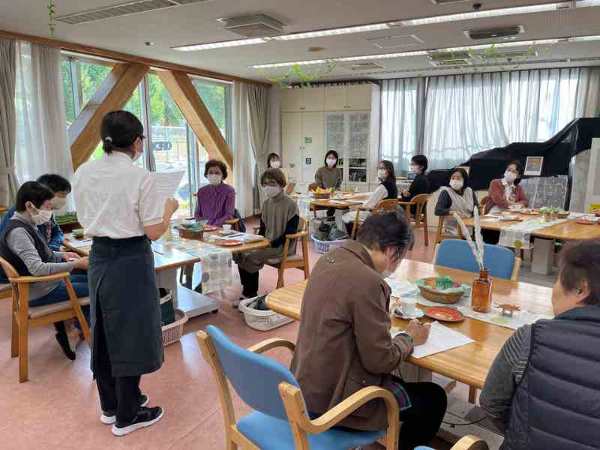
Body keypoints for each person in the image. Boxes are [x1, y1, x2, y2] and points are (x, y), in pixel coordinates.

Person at [291, 212, 447, 450]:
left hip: (306, 387)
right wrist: (409, 338)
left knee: (404, 383)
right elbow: (380, 361)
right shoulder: (369, 282)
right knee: (434, 398)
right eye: (401, 257)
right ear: (392, 251)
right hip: (337, 404)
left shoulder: (329, 259)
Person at [73, 110, 179, 436]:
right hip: (130, 258)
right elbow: (153, 231)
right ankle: (129, 414)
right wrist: (169, 209)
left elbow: (84, 216)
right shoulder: (139, 177)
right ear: (136, 142)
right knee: (132, 333)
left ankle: (112, 404)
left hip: (99, 257)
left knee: (104, 329)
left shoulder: (83, 171)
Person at [480, 239, 600, 449]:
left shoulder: (531, 338)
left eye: (557, 279)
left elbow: (491, 403)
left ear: (581, 289)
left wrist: (523, 429)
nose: (553, 289)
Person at [0, 182, 89, 360]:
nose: (49, 213)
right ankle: (84, 333)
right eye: (47, 207)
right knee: (99, 286)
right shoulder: (18, 232)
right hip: (40, 290)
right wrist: (75, 264)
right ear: (29, 206)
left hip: (41, 285)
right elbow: (38, 268)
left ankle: (77, 329)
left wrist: (62, 255)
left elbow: (40, 253)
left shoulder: (24, 223)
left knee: (89, 276)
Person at [234, 168, 299, 305]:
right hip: (267, 244)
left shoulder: (290, 204)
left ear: (281, 184)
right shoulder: (266, 204)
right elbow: (263, 230)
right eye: (265, 184)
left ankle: (250, 293)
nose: (268, 187)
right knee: (240, 252)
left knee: (251, 256)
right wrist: (256, 241)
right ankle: (247, 290)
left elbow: (291, 232)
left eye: (272, 183)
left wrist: (272, 243)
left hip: (282, 246)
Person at [0, 173, 71, 251]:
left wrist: (53, 246)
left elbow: (57, 233)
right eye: (62, 195)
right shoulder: (23, 213)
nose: (64, 199)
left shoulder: (46, 210)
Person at [342, 160, 399, 227]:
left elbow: (368, 205)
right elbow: (375, 197)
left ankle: (355, 236)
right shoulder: (392, 184)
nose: (380, 170)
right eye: (379, 168)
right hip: (389, 216)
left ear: (389, 170)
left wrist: (356, 205)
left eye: (382, 168)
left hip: (377, 216)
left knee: (346, 216)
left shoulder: (383, 187)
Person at [434, 168, 479, 236]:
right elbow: (438, 210)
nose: (455, 180)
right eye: (453, 178)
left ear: (464, 180)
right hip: (455, 229)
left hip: (471, 225)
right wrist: (452, 212)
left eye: (458, 178)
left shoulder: (469, 191)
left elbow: (476, 208)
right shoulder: (446, 192)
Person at [194, 159, 235, 227]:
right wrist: (203, 224)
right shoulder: (201, 191)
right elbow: (197, 213)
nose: (213, 175)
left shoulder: (229, 190)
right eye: (210, 172)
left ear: (223, 176)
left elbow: (229, 214)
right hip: (204, 227)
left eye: (217, 173)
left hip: (221, 227)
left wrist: (214, 224)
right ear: (206, 175)